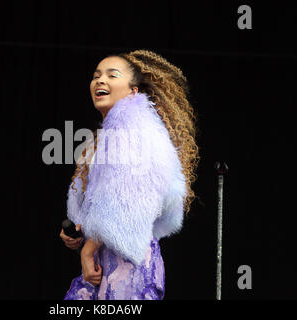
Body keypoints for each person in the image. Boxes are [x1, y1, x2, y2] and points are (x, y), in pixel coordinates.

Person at [59, 49, 200, 300]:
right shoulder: (105, 139)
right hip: (111, 266)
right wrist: (81, 233)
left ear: (133, 91)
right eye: (96, 76)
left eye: (112, 75)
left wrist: (87, 251)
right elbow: (102, 206)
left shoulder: (134, 128)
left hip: (126, 271)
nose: (100, 80)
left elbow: (125, 200)